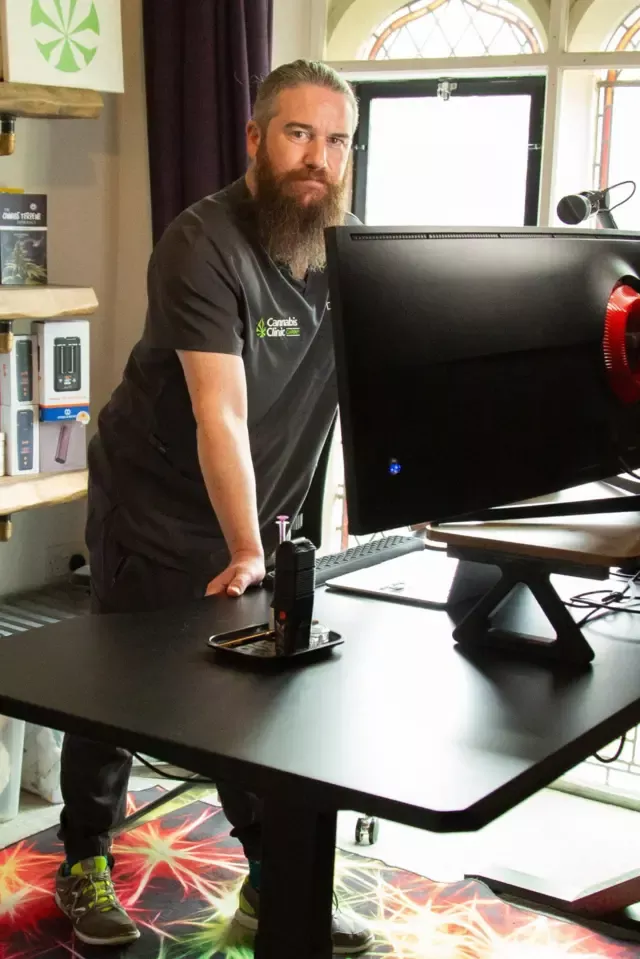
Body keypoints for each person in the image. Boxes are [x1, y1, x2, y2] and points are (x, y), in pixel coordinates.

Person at [53, 59, 373, 954]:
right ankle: (83, 857)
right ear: (256, 138)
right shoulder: (203, 242)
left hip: (264, 512)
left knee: (258, 695)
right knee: (118, 684)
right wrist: (245, 548)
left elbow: (367, 389)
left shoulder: (349, 251)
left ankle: (271, 878)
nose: (318, 158)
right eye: (299, 133)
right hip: (154, 500)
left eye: (337, 140)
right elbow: (219, 413)